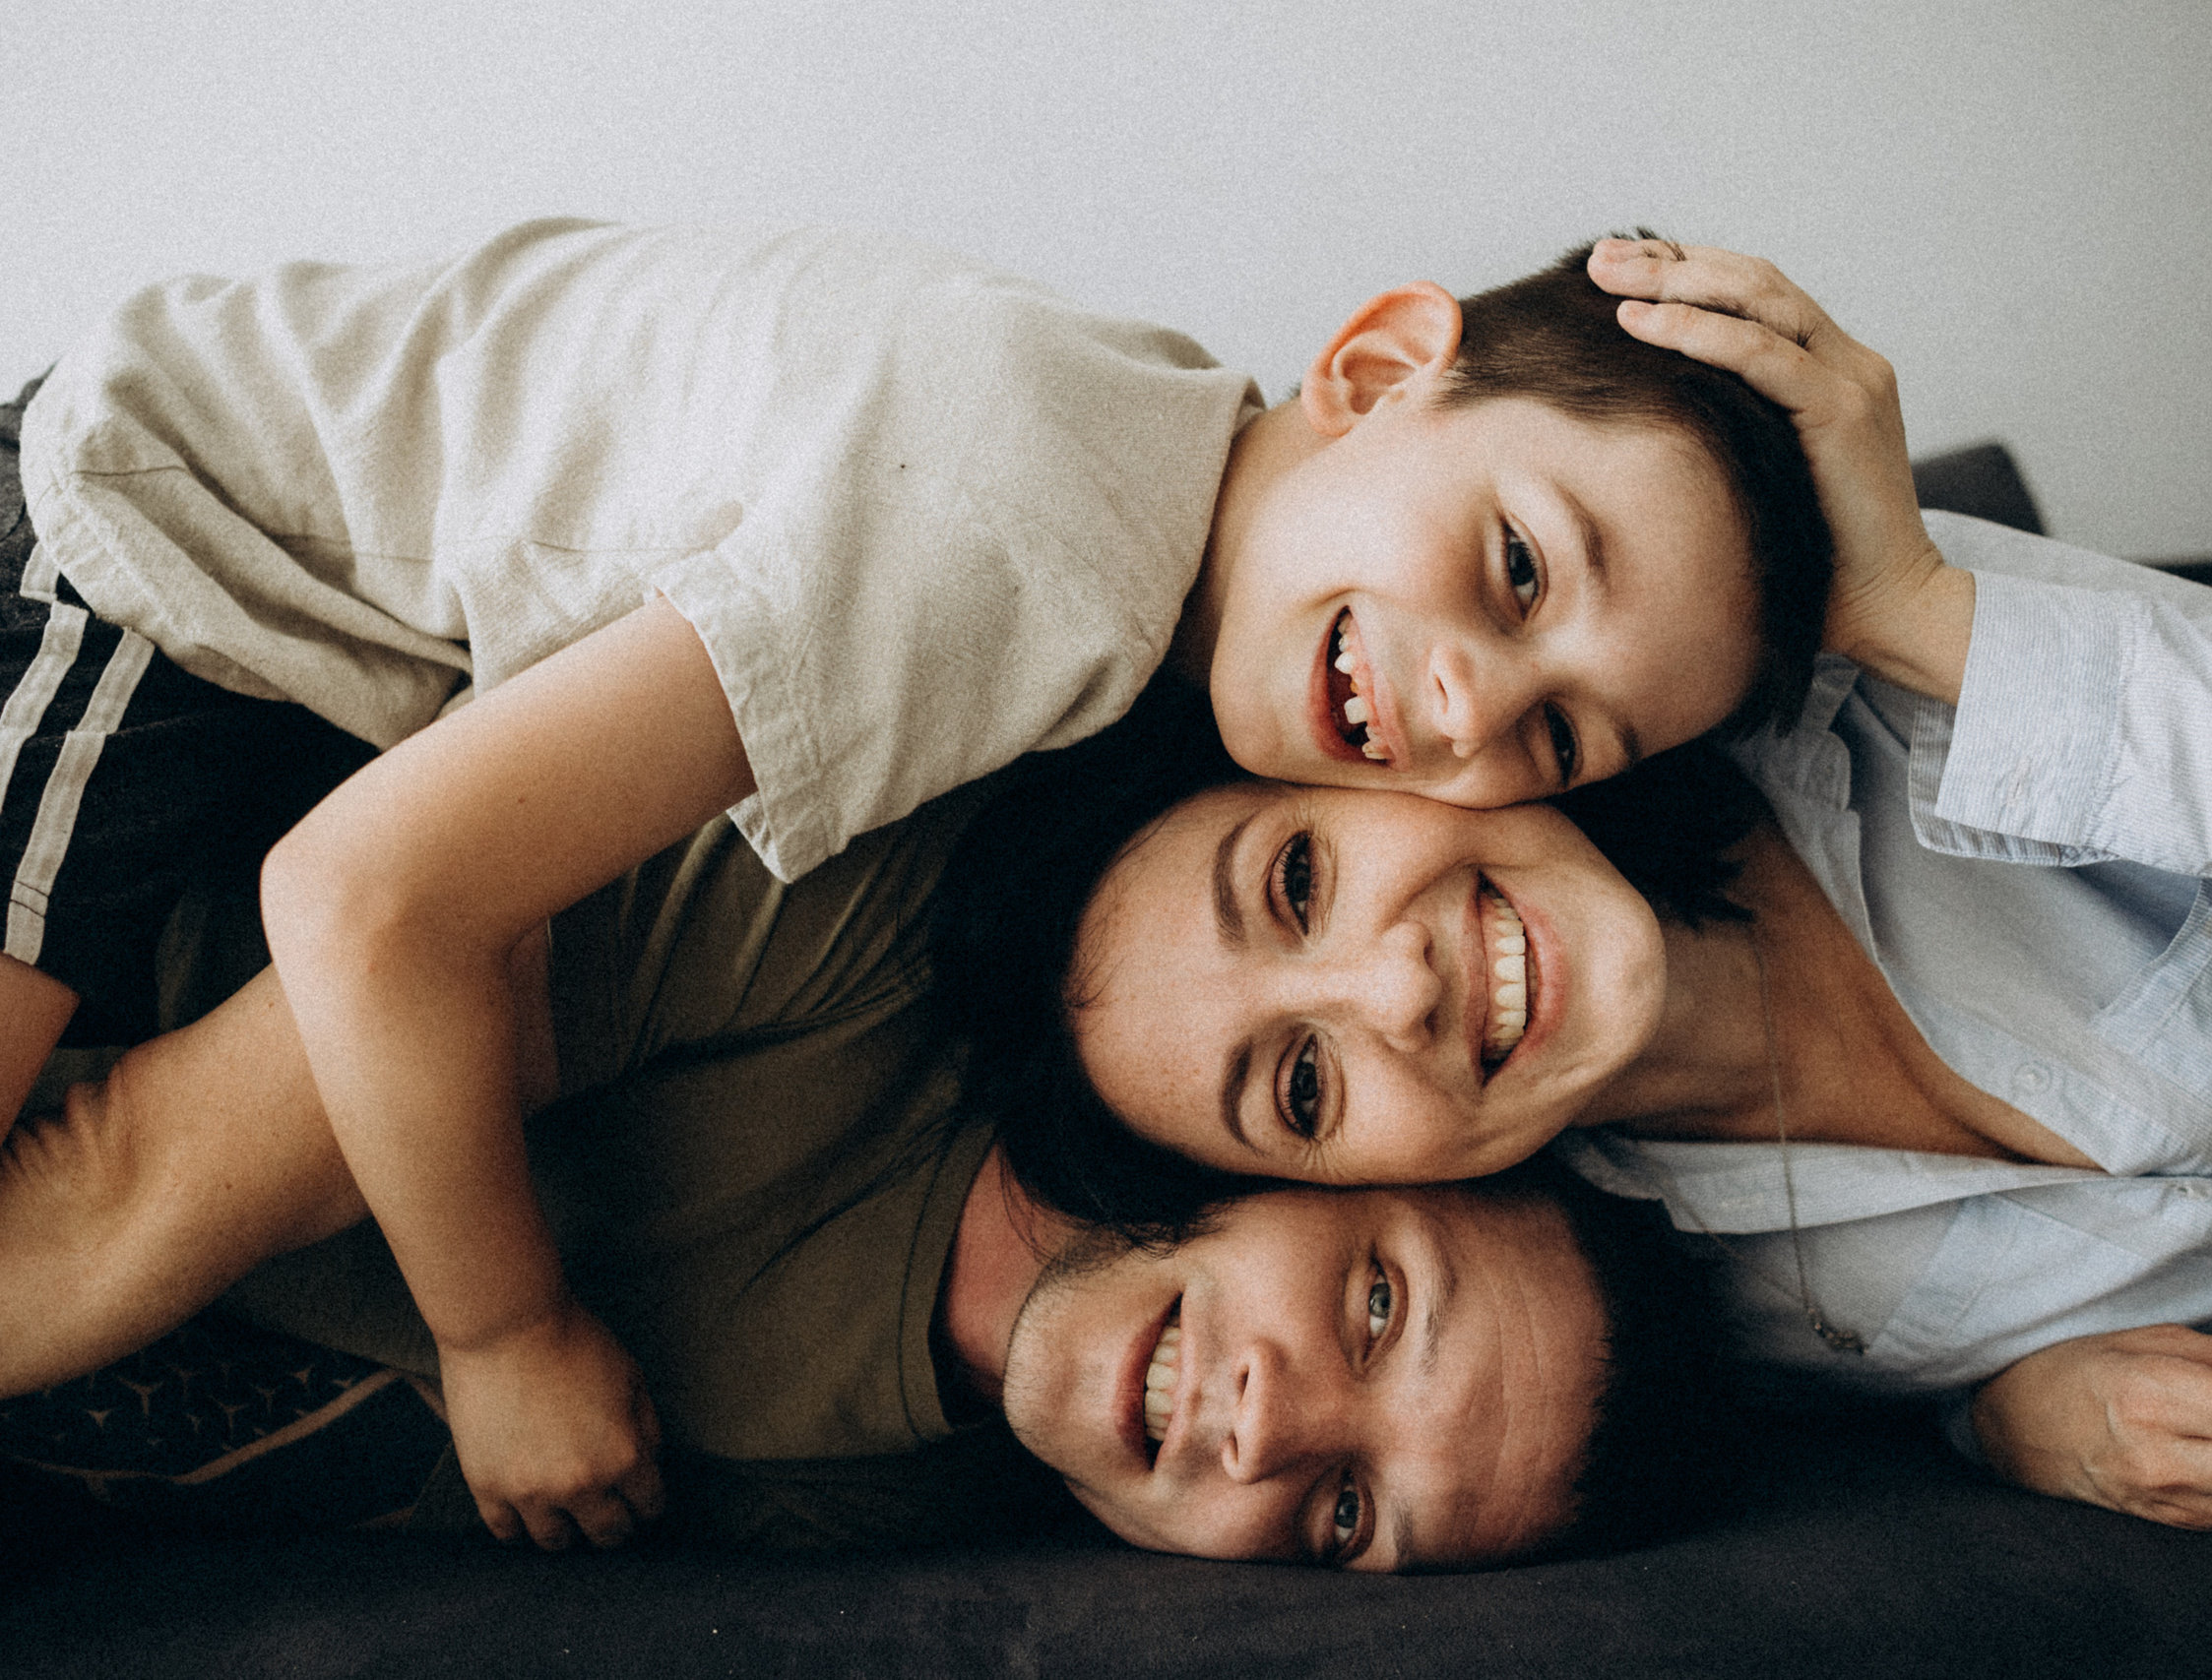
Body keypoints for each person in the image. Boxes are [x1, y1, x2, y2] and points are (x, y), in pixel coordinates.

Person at [0, 224, 1825, 1540]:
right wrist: (509, 1334)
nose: (1466, 708)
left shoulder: (1136, 601)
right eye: (1515, 568)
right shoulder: (1028, 558)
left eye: (1564, 740)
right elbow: (370, 896)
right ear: (1367, 369)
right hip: (133, 538)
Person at [932, 240, 2212, 1538]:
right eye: (1298, 1083)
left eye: (1295, 883)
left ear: (1367, 760)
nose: (1388, 992)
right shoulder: (1636, 1295)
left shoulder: (1885, 689)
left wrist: (1924, 614)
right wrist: (2006, 1414)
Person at [2, 778, 1732, 1562]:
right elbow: (116, 1183)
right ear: (1344, 1157)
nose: (1272, 1431)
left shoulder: (926, 1498)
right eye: (1373, 1306)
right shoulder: (865, 920)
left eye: (1348, 1518)